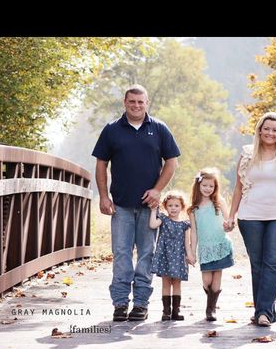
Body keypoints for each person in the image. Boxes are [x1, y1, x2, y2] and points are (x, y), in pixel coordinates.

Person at [92, 84, 180, 322]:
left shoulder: (159, 128)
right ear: (125, 102)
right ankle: (120, 303)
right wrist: (103, 195)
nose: (136, 105)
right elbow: (101, 164)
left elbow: (171, 161)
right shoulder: (112, 130)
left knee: (146, 255)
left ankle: (141, 303)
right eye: (132, 101)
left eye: (141, 102)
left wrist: (158, 189)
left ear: (147, 103)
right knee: (121, 254)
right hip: (120, 205)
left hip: (149, 208)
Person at [225, 111, 276, 327]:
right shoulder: (248, 154)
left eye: (274, 130)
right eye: (266, 128)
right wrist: (232, 215)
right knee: (258, 264)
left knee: (272, 263)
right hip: (251, 215)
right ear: (259, 130)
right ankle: (265, 311)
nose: (270, 133)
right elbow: (239, 188)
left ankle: (263, 313)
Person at [188, 168, 234, 322]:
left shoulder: (218, 202)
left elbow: (228, 220)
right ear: (198, 186)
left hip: (220, 244)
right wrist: (192, 252)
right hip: (205, 248)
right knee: (206, 280)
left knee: (217, 276)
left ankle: (211, 309)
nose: (208, 189)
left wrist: (229, 225)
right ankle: (211, 301)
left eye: (211, 186)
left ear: (215, 188)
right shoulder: (194, 208)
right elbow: (194, 232)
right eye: (205, 185)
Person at [150, 191, 195, 322]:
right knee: (165, 283)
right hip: (165, 255)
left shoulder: (184, 224)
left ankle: (176, 311)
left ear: (182, 207)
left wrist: (190, 255)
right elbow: (152, 225)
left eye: (176, 205)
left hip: (179, 257)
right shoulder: (163, 219)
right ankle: (166, 311)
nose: (173, 208)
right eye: (170, 205)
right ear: (165, 206)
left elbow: (187, 243)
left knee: (176, 283)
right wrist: (153, 210)